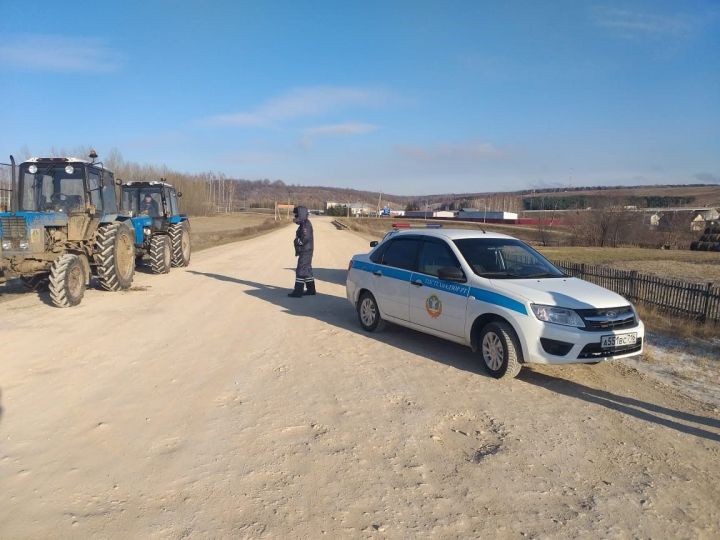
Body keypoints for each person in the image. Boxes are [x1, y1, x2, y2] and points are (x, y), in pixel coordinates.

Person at [288, 206, 315, 297]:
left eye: (297, 215)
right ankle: (311, 290)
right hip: (307, 250)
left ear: (301, 214)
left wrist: (298, 242)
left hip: (306, 250)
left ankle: (298, 292)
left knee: (301, 270)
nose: (295, 216)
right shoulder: (304, 223)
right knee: (307, 270)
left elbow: (305, 238)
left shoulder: (305, 224)